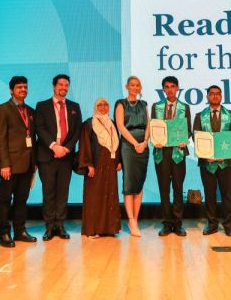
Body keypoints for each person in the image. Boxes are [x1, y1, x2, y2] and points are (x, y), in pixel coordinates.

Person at [34, 74, 82, 241]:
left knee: (63, 192)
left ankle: (60, 225)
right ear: (54, 87)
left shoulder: (74, 107)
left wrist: (66, 148)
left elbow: (77, 130)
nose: (64, 87)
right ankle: (49, 226)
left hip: (66, 157)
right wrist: (54, 146)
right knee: (48, 192)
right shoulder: (42, 106)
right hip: (47, 155)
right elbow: (39, 128)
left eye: (66, 85)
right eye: (60, 84)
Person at [0, 76, 37, 247]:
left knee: (21, 200)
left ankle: (20, 231)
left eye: (25, 87)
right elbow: (0, 138)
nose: (23, 90)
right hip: (9, 165)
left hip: (27, 164)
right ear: (11, 90)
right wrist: (4, 164)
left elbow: (32, 137)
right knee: (5, 200)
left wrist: (34, 162)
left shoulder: (31, 111)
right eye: (19, 87)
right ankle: (4, 233)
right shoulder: (2, 109)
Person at [193, 85, 231, 236]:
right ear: (207, 96)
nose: (215, 96)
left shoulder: (230, 115)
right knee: (210, 194)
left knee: (227, 195)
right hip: (207, 162)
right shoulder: (200, 116)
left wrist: (223, 154)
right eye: (211, 94)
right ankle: (212, 224)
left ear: (221, 96)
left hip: (225, 162)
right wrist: (206, 155)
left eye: (218, 93)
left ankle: (228, 225)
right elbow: (196, 137)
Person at [151, 76, 192, 237]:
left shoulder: (184, 107)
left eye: (173, 86)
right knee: (164, 189)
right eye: (167, 87)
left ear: (177, 88)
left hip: (177, 152)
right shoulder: (156, 107)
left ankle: (177, 223)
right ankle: (167, 224)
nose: (170, 89)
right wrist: (154, 140)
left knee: (178, 188)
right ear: (163, 89)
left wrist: (184, 140)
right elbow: (153, 127)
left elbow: (188, 130)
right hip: (161, 152)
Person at [79, 98, 122, 237]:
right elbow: (85, 145)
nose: (103, 107)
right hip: (96, 164)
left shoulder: (112, 123)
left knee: (110, 194)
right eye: (100, 105)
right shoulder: (89, 124)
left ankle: (109, 229)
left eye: (106, 105)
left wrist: (119, 161)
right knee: (95, 196)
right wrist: (88, 165)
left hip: (110, 163)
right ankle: (93, 229)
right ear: (95, 107)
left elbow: (116, 143)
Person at [114, 76, 149, 237]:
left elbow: (148, 125)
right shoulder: (121, 104)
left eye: (137, 85)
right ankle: (131, 220)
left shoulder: (144, 104)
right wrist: (135, 143)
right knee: (129, 184)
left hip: (143, 146)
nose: (135, 87)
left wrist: (145, 141)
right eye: (132, 85)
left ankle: (135, 218)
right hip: (128, 146)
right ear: (127, 86)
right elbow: (121, 126)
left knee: (139, 184)